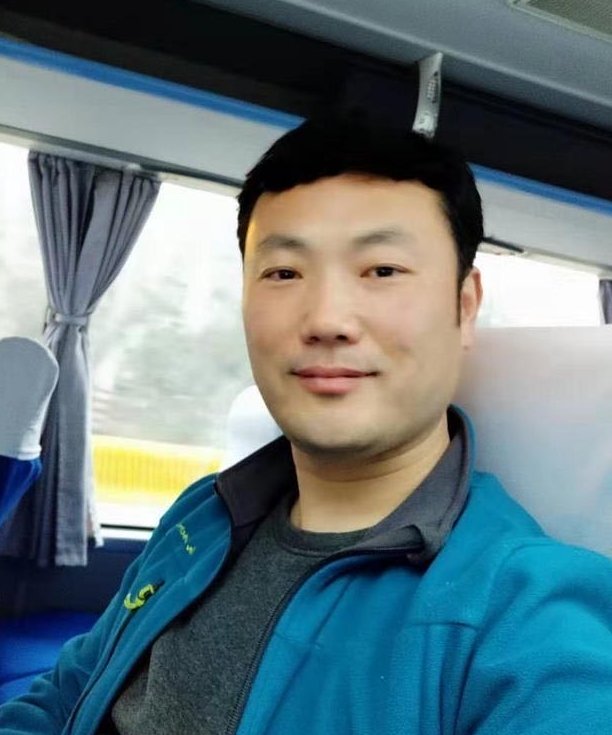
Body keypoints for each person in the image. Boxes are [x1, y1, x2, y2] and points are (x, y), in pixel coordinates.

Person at [2, 116, 612, 735]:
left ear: (464, 305)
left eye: (382, 270)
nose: (326, 320)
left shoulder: (528, 611)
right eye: (284, 273)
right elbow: (67, 694)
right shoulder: (203, 515)